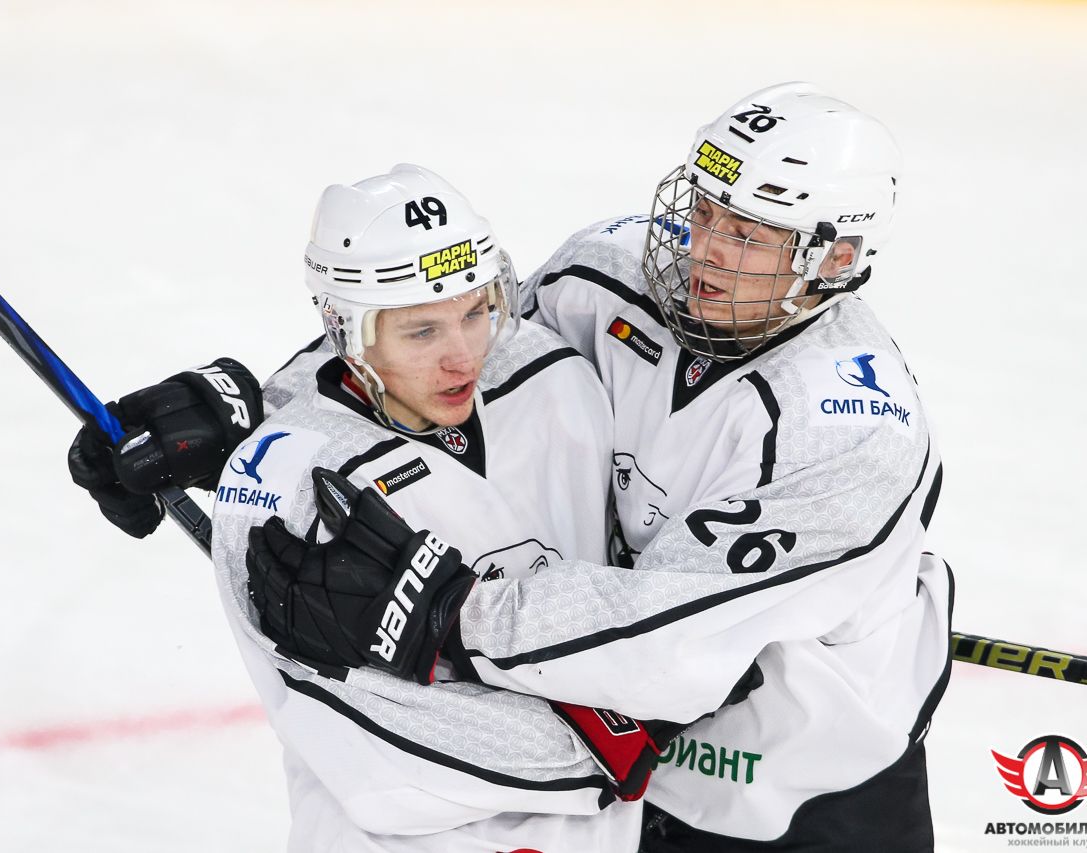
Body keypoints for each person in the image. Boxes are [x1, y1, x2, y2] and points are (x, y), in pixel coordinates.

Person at [250, 83, 954, 852]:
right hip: (615, 777)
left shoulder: (849, 432)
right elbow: (449, 344)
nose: (706, 248)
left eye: (749, 234)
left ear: (836, 258)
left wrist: (446, 612)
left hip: (808, 795)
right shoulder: (606, 275)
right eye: (706, 210)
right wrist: (263, 411)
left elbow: (665, 632)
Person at [69, 164, 655, 852]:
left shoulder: (559, 380)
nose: (463, 356)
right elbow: (370, 764)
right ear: (344, 327)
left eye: (475, 312)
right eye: (421, 332)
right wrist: (614, 728)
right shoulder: (292, 480)